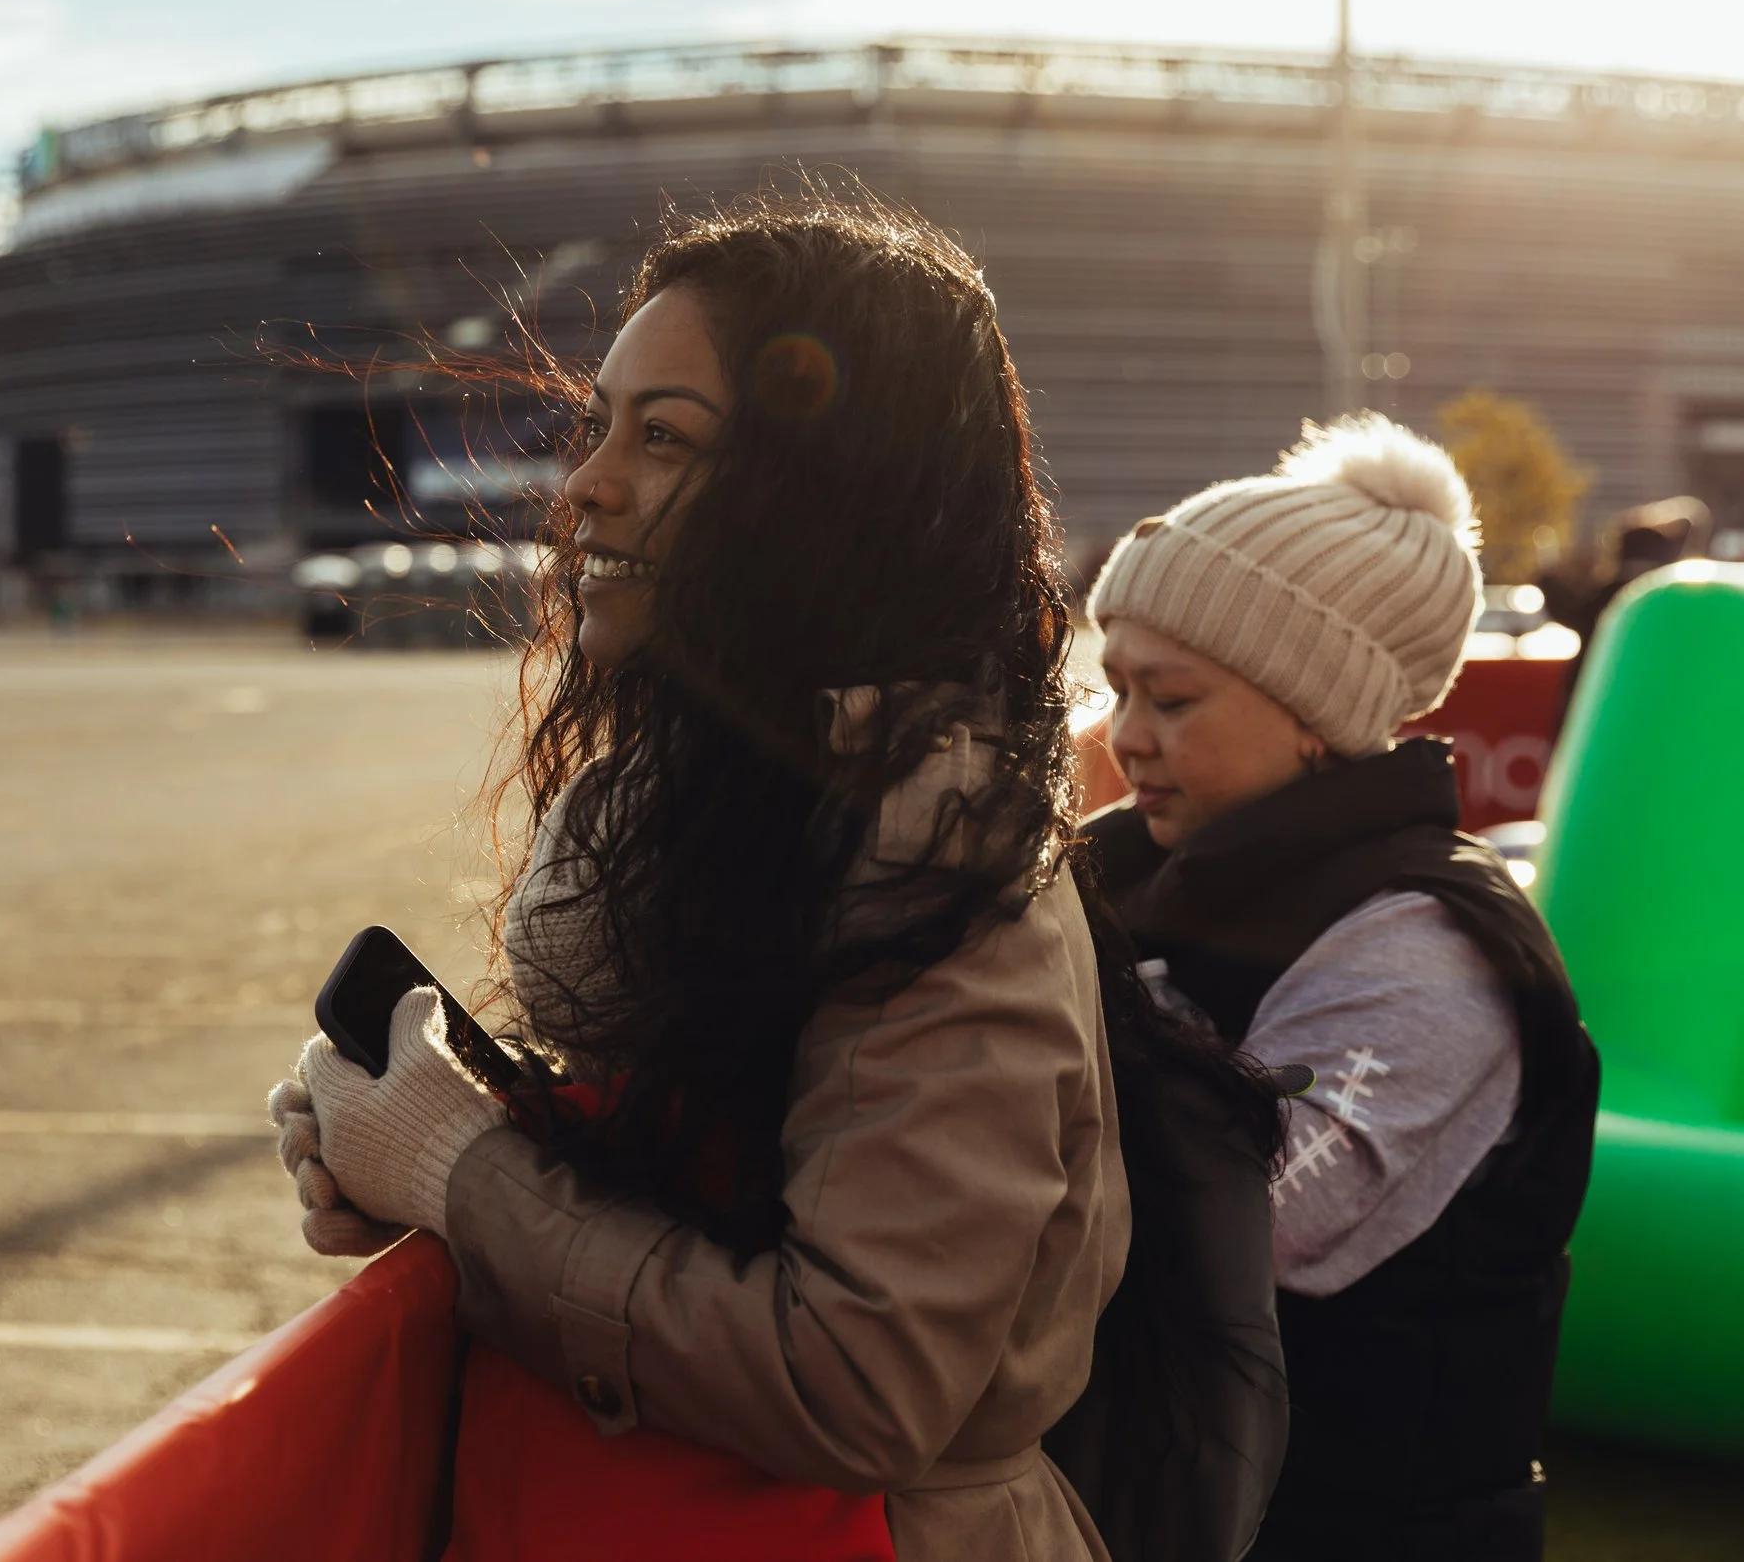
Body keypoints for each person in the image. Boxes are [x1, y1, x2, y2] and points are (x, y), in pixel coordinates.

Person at [269, 190, 1130, 1559]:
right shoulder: (719, 795)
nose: (585, 485)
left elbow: (856, 1377)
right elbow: (733, 1166)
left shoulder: (927, 831)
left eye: (662, 437)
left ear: (834, 493)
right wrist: (432, 1127)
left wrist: (463, 1172)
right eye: (596, 425)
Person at [1084, 415, 1602, 1562]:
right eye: (1115, 688)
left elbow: (1250, 1228)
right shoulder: (1120, 866)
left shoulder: (1428, 941)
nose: (1124, 736)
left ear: (1316, 713)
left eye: (1170, 699)